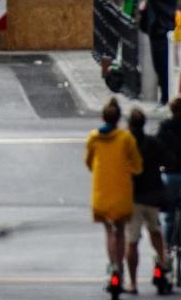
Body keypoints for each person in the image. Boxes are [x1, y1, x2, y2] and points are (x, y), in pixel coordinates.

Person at [87, 98, 144, 289]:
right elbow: (137, 166)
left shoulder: (94, 137)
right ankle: (120, 269)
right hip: (121, 191)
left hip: (102, 191)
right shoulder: (126, 138)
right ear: (119, 118)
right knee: (120, 231)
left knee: (108, 230)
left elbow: (88, 162)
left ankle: (113, 267)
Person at [126, 107, 170, 294]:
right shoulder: (153, 143)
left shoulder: (126, 144)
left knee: (133, 241)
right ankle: (162, 267)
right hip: (152, 194)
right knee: (156, 233)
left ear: (129, 125)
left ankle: (133, 282)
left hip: (134, 196)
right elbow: (166, 160)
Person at [139, 0, 178, 104]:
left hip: (165, 31)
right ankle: (164, 97)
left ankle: (167, 98)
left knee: (165, 66)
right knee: (158, 66)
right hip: (155, 30)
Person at [158, 97, 181, 246]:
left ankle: (167, 250)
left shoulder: (165, 127)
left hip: (171, 173)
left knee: (169, 216)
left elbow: (157, 149)